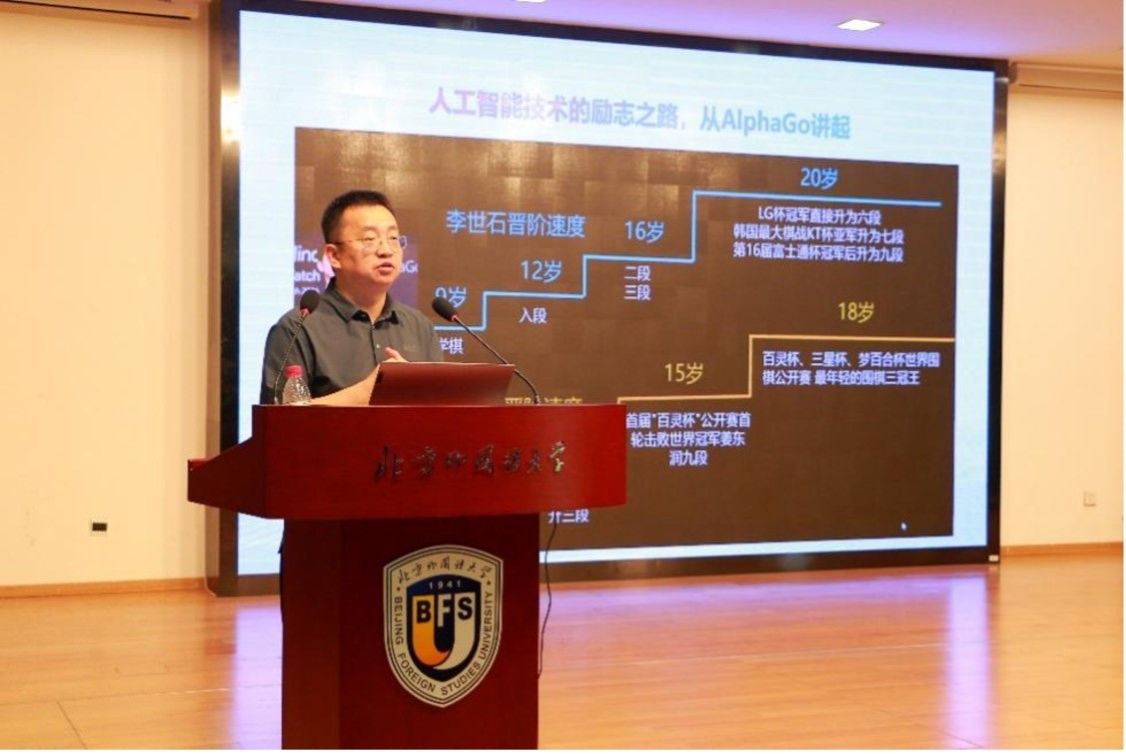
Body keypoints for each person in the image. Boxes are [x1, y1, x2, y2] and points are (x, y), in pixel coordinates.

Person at [260, 189, 443, 405]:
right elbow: (278, 419)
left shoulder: (420, 327)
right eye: (369, 239)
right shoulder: (296, 328)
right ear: (334, 255)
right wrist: (366, 393)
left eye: (393, 238)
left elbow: (440, 412)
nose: (386, 250)